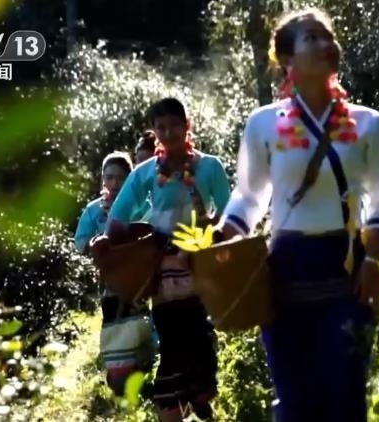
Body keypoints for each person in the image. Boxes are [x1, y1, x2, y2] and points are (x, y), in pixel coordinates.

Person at [217, 7, 379, 421]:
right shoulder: (263, 123)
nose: (324, 44)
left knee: (345, 396)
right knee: (295, 401)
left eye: (327, 36)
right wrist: (222, 238)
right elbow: (249, 196)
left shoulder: (367, 123)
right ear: (286, 58)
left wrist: (372, 260)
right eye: (311, 37)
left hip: (346, 272)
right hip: (285, 273)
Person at [98, 97, 231, 421]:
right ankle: (175, 404)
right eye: (161, 127)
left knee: (201, 337)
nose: (169, 132)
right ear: (154, 131)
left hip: (202, 265)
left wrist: (216, 237)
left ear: (187, 126)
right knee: (172, 340)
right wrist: (111, 247)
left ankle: (198, 393)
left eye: (174, 125)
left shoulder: (210, 167)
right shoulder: (145, 173)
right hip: (163, 272)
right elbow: (119, 215)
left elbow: (230, 214)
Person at [73, 151, 156, 398]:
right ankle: (120, 376)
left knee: (140, 321)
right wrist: (98, 242)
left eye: (121, 178)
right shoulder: (93, 210)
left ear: (131, 179)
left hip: (139, 280)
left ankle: (144, 370)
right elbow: (80, 243)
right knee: (115, 323)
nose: (115, 183)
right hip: (109, 283)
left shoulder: (143, 205)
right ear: (102, 180)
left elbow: (149, 234)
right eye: (109, 177)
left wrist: (119, 218)